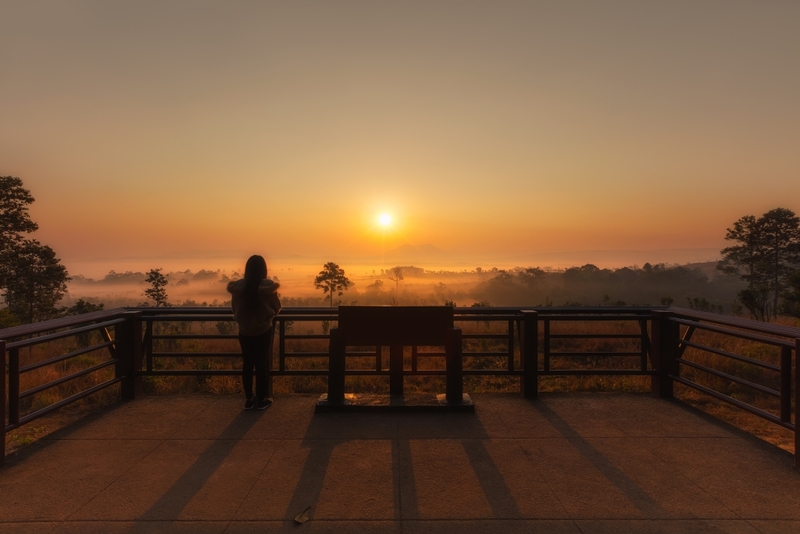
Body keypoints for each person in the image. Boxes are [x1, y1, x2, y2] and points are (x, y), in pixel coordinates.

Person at [227, 255, 282, 410]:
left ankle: (249, 399)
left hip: (244, 331)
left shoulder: (238, 288)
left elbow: (234, 309)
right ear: (264, 269)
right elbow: (276, 308)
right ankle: (262, 399)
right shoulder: (268, 287)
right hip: (263, 330)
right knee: (261, 364)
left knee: (247, 364)